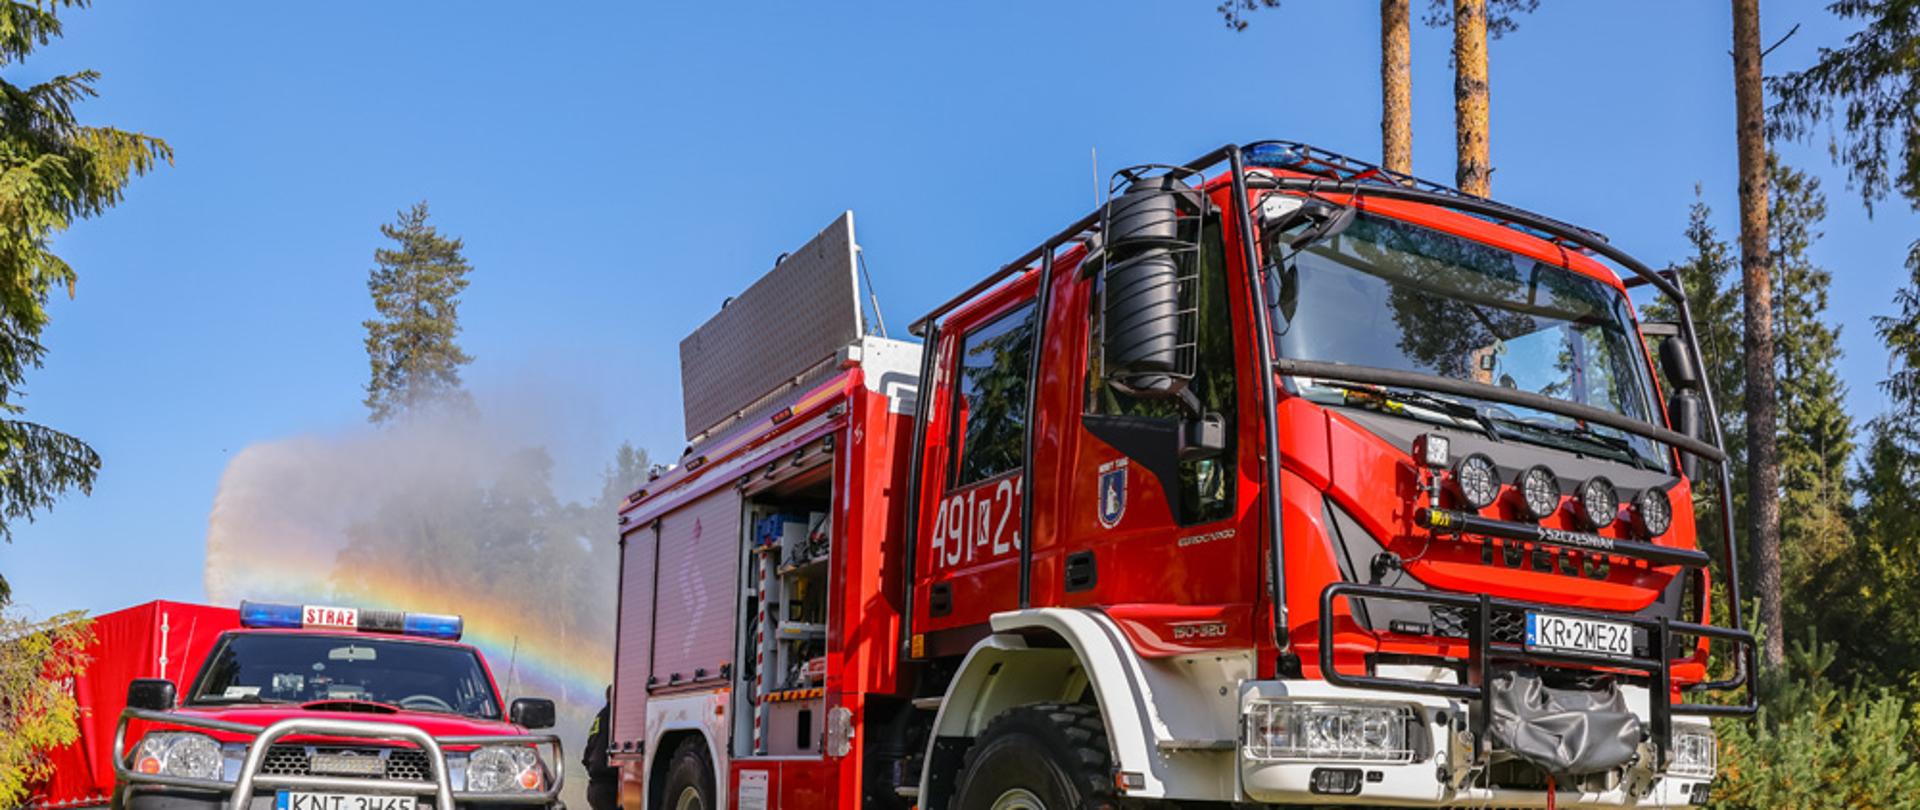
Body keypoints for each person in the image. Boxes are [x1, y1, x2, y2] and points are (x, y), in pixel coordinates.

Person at [584, 686, 618, 810]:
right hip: (608, 787)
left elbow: (589, 750)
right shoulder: (616, 717)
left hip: (595, 786)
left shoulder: (600, 716)